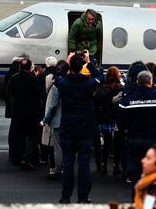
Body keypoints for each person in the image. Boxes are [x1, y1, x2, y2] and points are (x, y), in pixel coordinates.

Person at [56, 52, 103, 204]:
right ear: (81, 67)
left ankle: (65, 197)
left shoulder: (63, 84)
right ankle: (83, 197)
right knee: (84, 164)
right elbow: (99, 77)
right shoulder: (89, 84)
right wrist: (88, 62)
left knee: (68, 163)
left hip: (68, 128)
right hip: (85, 128)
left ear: (70, 67)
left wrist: (67, 64)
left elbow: (57, 77)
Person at [119, 70, 156, 187]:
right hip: (154, 141)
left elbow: (121, 119)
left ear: (137, 82)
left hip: (135, 141)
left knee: (136, 176)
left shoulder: (127, 100)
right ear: (151, 81)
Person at [6, 58, 41, 169]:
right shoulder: (33, 80)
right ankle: (27, 157)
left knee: (19, 136)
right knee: (33, 135)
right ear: (30, 67)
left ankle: (18, 157)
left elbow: (9, 93)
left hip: (17, 111)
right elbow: (37, 96)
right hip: (31, 112)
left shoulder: (14, 78)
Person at [93, 66, 123, 175]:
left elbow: (96, 102)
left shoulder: (101, 88)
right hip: (117, 119)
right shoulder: (120, 88)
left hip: (104, 118)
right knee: (117, 144)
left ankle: (103, 165)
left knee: (106, 142)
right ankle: (116, 166)